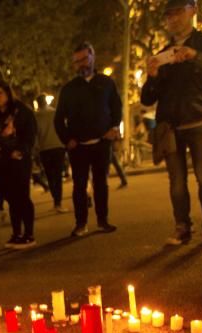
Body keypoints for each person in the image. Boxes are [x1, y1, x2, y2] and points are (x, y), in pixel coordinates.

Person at [141, 0, 202, 246]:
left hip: (200, 119)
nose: (173, 19)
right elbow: (147, 98)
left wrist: (194, 56)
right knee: (176, 181)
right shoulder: (163, 54)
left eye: (178, 12)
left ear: (192, 11)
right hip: (170, 125)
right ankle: (182, 227)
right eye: (169, 15)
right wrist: (152, 76)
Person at [55, 43, 122, 237]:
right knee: (79, 185)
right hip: (79, 146)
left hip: (102, 143)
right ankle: (80, 223)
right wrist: (67, 139)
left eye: (84, 59)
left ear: (92, 56)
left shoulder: (106, 83)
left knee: (101, 183)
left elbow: (116, 108)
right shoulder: (68, 89)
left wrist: (114, 127)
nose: (81, 65)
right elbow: (59, 119)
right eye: (77, 62)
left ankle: (103, 220)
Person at [0, 80, 38, 249]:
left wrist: (21, 151)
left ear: (8, 93)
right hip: (2, 163)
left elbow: (30, 135)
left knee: (22, 196)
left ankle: (29, 234)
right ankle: (16, 233)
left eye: (0, 93)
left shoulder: (21, 112)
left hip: (18, 160)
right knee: (12, 199)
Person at [35, 96, 68, 215]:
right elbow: (63, 127)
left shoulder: (36, 116)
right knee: (58, 176)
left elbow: (35, 135)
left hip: (44, 149)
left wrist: (36, 148)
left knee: (50, 176)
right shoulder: (54, 112)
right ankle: (58, 203)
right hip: (58, 146)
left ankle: (56, 200)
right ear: (46, 101)